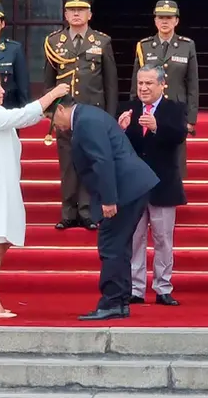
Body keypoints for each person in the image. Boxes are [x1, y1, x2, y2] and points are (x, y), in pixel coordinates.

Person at [0, 72, 69, 318]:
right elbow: (20, 116)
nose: (2, 91)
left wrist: (45, 111)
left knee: (3, 239)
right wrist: (51, 94)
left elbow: (24, 119)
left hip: (1, 184)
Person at [50, 96, 160, 320]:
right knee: (119, 246)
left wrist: (109, 199)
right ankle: (119, 301)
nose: (55, 127)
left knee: (110, 245)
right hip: (130, 187)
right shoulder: (89, 115)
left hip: (123, 190)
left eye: (53, 120)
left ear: (61, 108)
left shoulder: (85, 121)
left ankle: (112, 301)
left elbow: (102, 160)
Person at [43, 0, 118, 231]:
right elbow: (48, 80)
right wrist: (50, 110)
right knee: (67, 162)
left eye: (81, 10)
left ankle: (87, 211)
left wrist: (110, 115)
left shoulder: (102, 41)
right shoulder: (54, 42)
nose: (76, 14)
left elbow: (110, 82)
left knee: (89, 160)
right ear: (65, 14)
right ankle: (68, 211)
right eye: (72, 10)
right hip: (64, 113)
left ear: (90, 14)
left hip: (92, 112)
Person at [120, 65, 189, 306]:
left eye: (149, 83)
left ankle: (163, 288)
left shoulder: (174, 108)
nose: (143, 88)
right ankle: (136, 289)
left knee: (163, 239)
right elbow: (117, 146)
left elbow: (179, 135)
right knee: (135, 239)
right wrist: (120, 129)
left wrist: (156, 127)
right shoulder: (127, 108)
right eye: (140, 83)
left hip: (163, 184)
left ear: (162, 85)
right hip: (134, 186)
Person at [132, 0, 199, 176]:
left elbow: (192, 83)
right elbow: (135, 82)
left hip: (175, 108)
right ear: (155, 20)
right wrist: (133, 110)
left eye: (169, 18)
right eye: (161, 17)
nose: (165, 21)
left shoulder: (187, 45)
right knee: (147, 153)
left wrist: (191, 118)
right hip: (148, 108)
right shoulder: (144, 46)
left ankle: (172, 195)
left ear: (176, 21)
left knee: (174, 158)